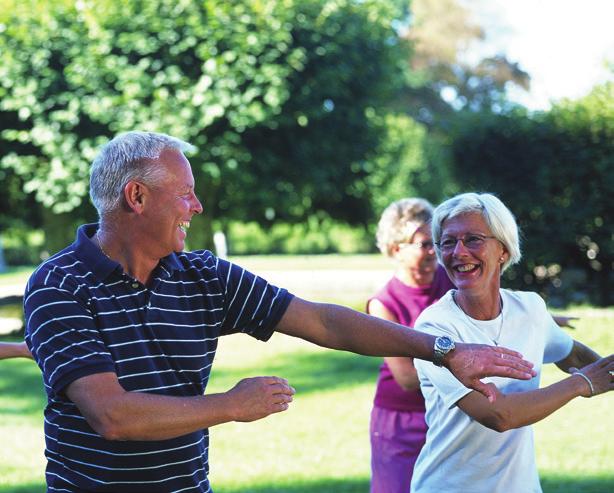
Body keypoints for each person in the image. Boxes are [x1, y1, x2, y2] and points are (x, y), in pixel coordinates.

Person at [25, 133, 535, 493]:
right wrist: (231, 404)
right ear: (136, 196)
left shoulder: (201, 275)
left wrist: (443, 350)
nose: (197, 206)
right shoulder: (58, 285)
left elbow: (323, 321)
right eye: (186, 192)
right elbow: (111, 416)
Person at [410, 192, 614, 493]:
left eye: (473, 239)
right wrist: (580, 384)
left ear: (503, 250)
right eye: (449, 242)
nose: (459, 252)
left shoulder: (529, 308)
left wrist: (605, 372)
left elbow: (572, 354)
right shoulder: (436, 327)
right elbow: (498, 415)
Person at [367, 198, 453, 493]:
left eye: (437, 243)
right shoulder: (383, 304)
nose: (434, 252)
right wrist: (464, 363)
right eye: (425, 244)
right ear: (396, 249)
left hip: (450, 410)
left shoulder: (452, 281)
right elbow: (405, 377)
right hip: (401, 422)